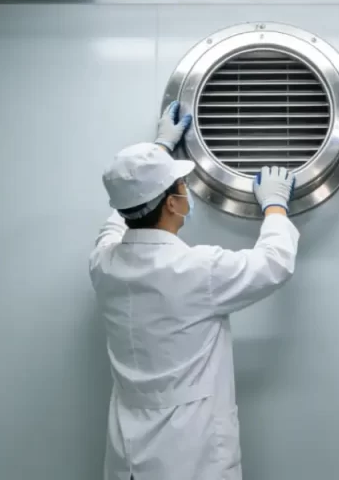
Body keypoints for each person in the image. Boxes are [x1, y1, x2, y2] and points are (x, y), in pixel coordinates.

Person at [89, 102, 301, 480]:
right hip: (191, 453)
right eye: (182, 186)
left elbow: (120, 217)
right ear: (173, 203)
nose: (187, 191)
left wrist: (159, 150)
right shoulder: (198, 270)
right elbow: (273, 263)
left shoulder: (104, 264)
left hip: (128, 452)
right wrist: (274, 207)